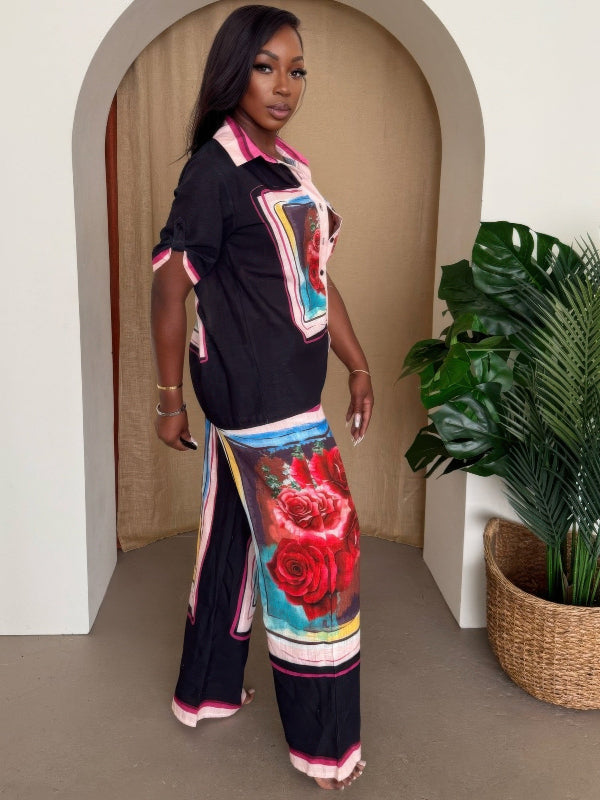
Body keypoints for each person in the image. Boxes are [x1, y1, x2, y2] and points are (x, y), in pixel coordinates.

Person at [150, 5, 373, 791]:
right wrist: (169, 400)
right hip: (258, 399)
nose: (285, 85)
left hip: (282, 388)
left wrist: (357, 366)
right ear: (233, 72)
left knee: (232, 540)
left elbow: (315, 278)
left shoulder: (286, 167)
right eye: (266, 67)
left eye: (297, 69)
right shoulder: (214, 170)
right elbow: (170, 288)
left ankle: (204, 691)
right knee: (322, 558)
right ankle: (325, 747)